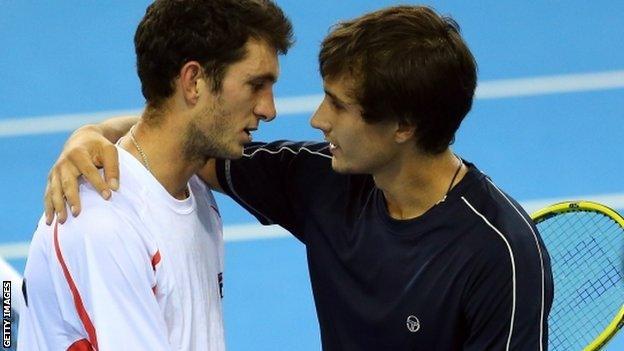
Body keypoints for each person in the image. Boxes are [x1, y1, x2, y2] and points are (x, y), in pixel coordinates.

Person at [42, 5, 553, 351]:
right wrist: (88, 135)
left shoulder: (499, 255)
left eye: (339, 105)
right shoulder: (321, 181)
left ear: (402, 126)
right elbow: (182, 138)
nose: (316, 120)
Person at [19, 0, 293, 349]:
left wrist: (93, 130)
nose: (269, 109)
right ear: (193, 81)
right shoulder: (103, 221)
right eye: (256, 85)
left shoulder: (193, 185)